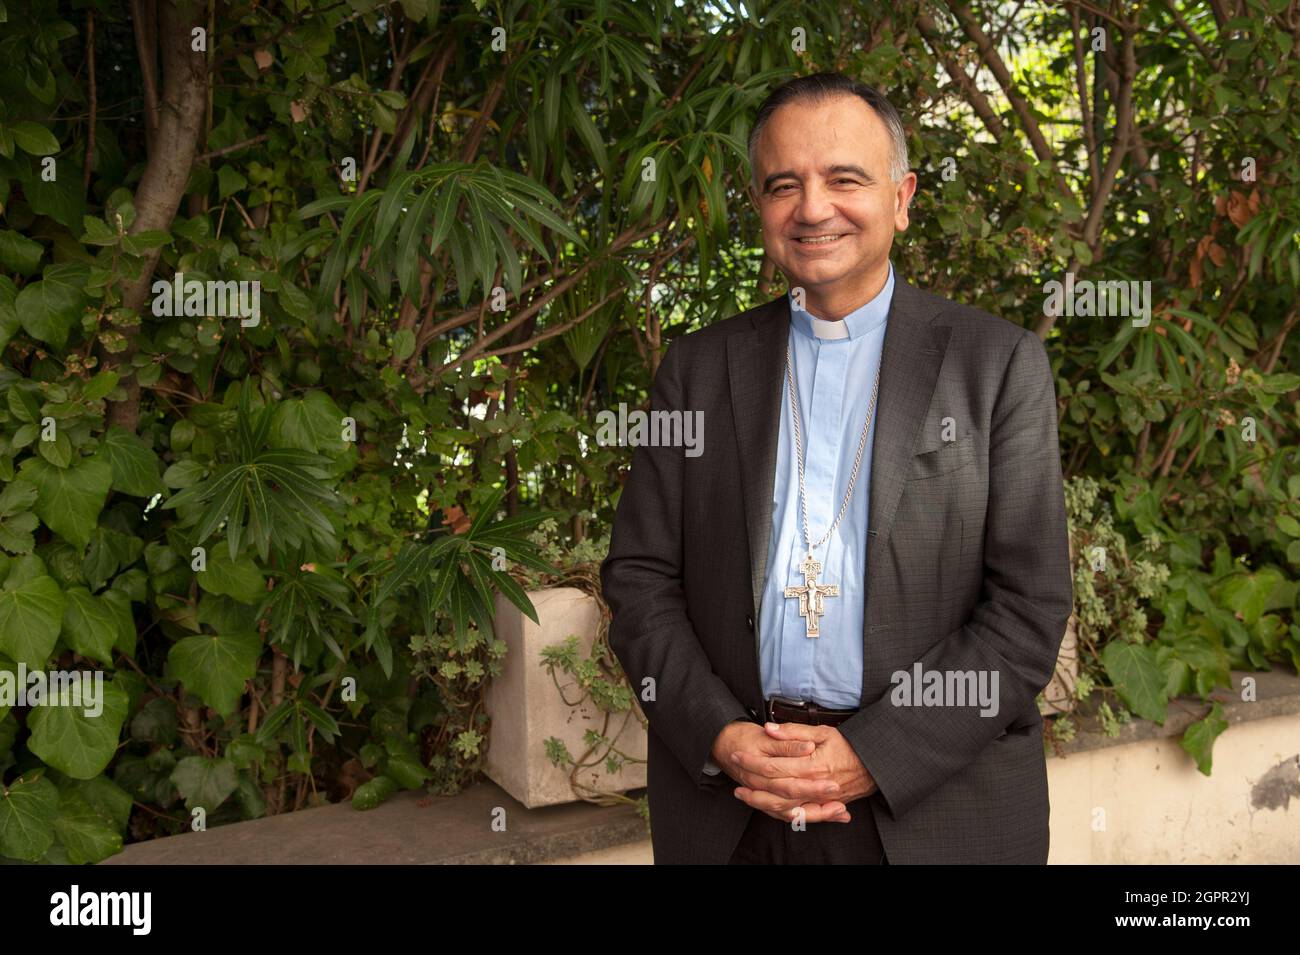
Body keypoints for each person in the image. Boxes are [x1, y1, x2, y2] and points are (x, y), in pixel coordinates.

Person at [599, 72, 1073, 864]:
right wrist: (722, 734)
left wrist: (872, 755)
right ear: (760, 205)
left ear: (902, 196)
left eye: (844, 178)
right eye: (784, 185)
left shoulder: (996, 366)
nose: (812, 208)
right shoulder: (698, 369)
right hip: (736, 806)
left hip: (933, 809)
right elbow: (640, 578)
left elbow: (1026, 611)